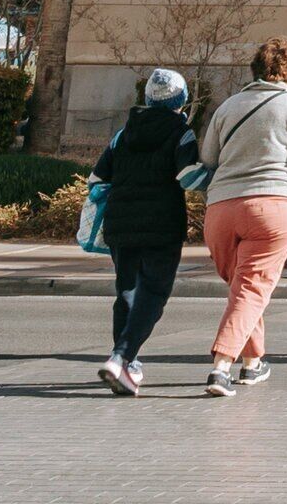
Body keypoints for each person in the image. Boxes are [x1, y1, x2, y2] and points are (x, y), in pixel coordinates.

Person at [195, 36, 287, 397]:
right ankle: (221, 367)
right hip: (274, 205)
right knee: (251, 288)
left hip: (222, 207)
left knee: (243, 289)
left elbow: (209, 158)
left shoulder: (227, 107)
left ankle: (253, 364)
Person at [88, 69, 201, 396]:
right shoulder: (181, 132)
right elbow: (189, 177)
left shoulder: (123, 134)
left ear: (148, 99)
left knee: (127, 291)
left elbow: (96, 179)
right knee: (153, 293)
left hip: (120, 223)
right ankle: (121, 356)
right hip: (162, 226)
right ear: (181, 100)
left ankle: (127, 365)